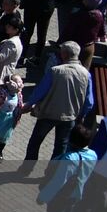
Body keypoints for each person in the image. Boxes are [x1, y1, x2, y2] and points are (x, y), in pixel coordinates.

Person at [21, 42, 92, 171]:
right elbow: (89, 101)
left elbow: (40, 91)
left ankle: (27, 168)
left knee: (35, 142)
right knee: (61, 146)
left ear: (64, 54)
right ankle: (52, 172)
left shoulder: (55, 71)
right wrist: (81, 115)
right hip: (70, 116)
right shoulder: (86, 74)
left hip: (48, 113)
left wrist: (29, 104)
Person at [38, 123, 98, 212]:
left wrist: (43, 196)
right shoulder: (92, 155)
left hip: (61, 196)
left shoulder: (70, 159)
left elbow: (58, 181)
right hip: (76, 194)